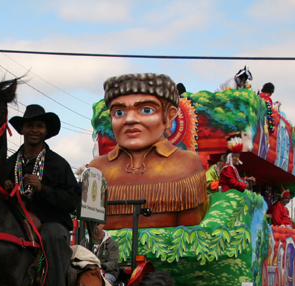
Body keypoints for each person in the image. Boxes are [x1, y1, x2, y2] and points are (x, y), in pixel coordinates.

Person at [88, 74, 207, 229]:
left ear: (169, 116)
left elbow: (189, 237)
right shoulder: (97, 169)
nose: (129, 119)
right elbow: (90, 233)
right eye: (119, 112)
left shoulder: (186, 164)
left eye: (146, 110)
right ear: (111, 118)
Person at [5, 104, 81, 286]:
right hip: (17, 223)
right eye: (30, 125)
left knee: (53, 235)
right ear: (23, 129)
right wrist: (5, 190)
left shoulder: (59, 164)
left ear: (46, 131)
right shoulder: (9, 165)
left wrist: (43, 189)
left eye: (39, 125)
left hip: (49, 223)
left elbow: (74, 201)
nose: (34, 130)